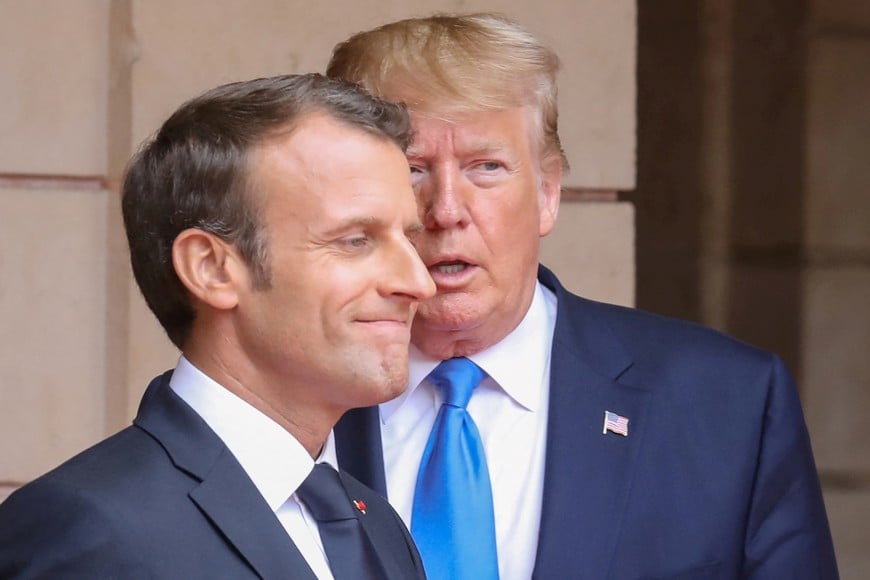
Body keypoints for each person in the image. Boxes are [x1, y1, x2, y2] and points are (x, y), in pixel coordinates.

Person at [326, 13, 839, 579]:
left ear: (548, 193)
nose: (446, 210)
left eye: (487, 167)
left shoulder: (728, 403)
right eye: (412, 169)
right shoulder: (278, 389)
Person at [0, 74, 433, 579]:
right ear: (211, 268)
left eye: (409, 238)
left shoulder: (377, 526)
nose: (418, 282)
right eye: (356, 239)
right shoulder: (88, 530)